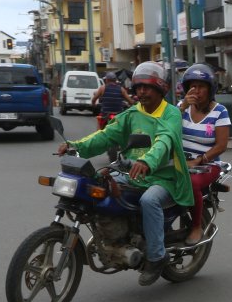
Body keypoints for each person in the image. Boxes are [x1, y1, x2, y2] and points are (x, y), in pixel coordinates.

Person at [57, 61, 193, 285]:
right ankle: (115, 237)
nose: (141, 92)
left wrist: (147, 161)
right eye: (138, 87)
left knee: (149, 200)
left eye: (147, 87)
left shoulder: (171, 114)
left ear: (160, 89)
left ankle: (157, 257)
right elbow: (106, 136)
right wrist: (75, 146)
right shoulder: (131, 114)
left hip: (165, 177)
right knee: (99, 184)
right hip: (134, 172)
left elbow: (164, 140)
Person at [176, 64, 230, 246]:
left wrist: (198, 160)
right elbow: (166, 129)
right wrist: (182, 108)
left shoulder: (220, 111)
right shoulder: (181, 108)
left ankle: (196, 226)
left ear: (210, 89)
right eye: (193, 86)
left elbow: (221, 145)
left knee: (190, 183)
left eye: (201, 87)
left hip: (208, 163)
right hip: (180, 161)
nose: (196, 91)